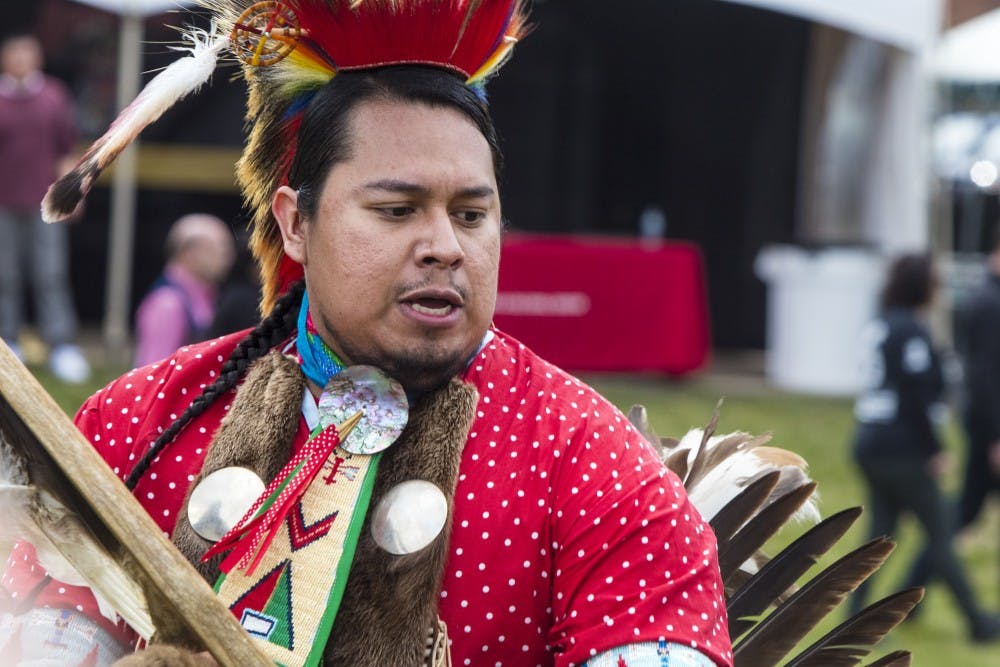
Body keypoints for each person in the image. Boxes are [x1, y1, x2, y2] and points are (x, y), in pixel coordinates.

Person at [0, 2, 732, 666]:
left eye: (472, 215)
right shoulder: (135, 428)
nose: (445, 245)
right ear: (294, 222)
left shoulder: (594, 469)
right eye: (396, 209)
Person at [848, 252, 999, 642]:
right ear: (921, 287)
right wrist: (934, 448)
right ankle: (977, 622)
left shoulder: (883, 323)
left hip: (870, 441)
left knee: (880, 536)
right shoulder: (910, 331)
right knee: (942, 532)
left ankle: (855, 617)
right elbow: (914, 396)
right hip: (900, 450)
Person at [0, 33, 90, 383]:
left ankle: (60, 343)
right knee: (4, 275)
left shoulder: (53, 96)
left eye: (27, 54)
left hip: (44, 202)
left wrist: (73, 193)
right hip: (3, 202)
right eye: (15, 54)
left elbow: (66, 147)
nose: (21, 61)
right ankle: (8, 341)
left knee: (50, 273)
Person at [133, 213, 235, 367]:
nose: (229, 258)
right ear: (190, 253)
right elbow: (153, 371)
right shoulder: (167, 303)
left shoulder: (208, 296)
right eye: (219, 250)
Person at [956, 228, 1000, 531]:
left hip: (985, 425)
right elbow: (985, 376)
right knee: (965, 511)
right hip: (988, 428)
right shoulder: (990, 303)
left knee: (965, 511)